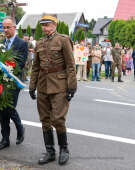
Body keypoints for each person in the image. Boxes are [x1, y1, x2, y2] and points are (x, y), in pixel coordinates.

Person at [29, 14, 77, 165]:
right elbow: (35, 67)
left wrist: (72, 86)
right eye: (42, 25)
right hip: (43, 85)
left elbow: (70, 65)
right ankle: (50, 152)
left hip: (59, 85)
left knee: (58, 119)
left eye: (47, 24)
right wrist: (32, 86)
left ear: (54, 25)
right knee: (45, 120)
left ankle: (64, 149)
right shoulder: (40, 42)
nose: (44, 28)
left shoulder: (63, 40)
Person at [0, 16, 28, 151]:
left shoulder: (21, 44)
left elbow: (20, 63)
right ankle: (5, 139)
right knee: (3, 109)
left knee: (9, 107)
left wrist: (6, 67)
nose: (5, 30)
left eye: (8, 27)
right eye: (4, 27)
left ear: (14, 27)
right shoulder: (1, 44)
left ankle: (19, 128)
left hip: (14, 81)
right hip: (1, 81)